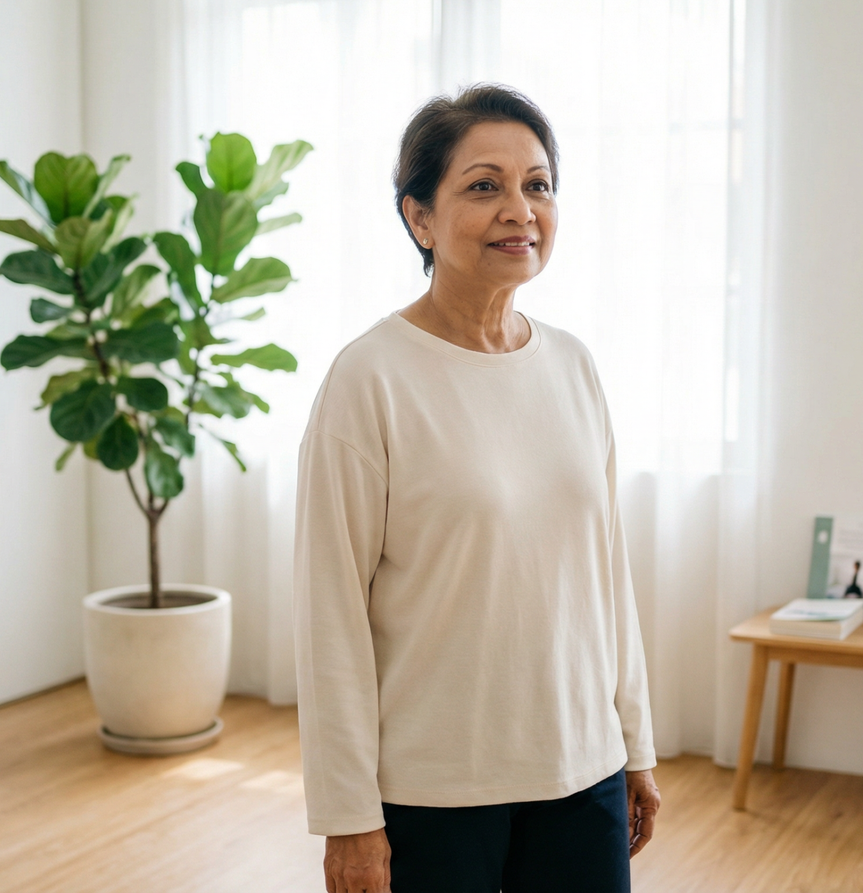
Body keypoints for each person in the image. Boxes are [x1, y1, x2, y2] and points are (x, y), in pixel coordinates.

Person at [293, 83, 661, 893]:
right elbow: (330, 617)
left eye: (538, 184)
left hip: (581, 772)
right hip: (432, 792)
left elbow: (607, 577)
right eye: (484, 185)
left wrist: (634, 745)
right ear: (418, 217)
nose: (520, 210)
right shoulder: (370, 378)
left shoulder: (573, 366)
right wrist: (348, 814)